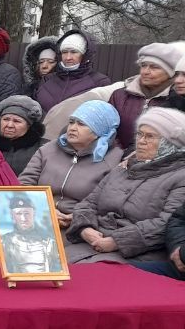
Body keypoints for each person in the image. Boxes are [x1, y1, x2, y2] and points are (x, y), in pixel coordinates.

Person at [65, 108, 185, 266]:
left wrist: (116, 241)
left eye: (150, 136)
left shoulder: (180, 176)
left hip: (138, 256)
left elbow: (167, 223)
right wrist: (84, 228)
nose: (141, 141)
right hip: (89, 244)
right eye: (139, 134)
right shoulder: (125, 167)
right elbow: (89, 202)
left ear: (170, 143)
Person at [19, 100, 122, 227]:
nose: (72, 128)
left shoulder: (114, 160)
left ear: (99, 130)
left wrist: (78, 219)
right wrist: (43, 210)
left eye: (81, 124)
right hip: (36, 215)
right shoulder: (49, 149)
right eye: (71, 122)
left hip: (78, 225)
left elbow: (106, 204)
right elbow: (24, 184)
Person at [109, 43, 181, 150]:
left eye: (154, 67)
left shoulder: (177, 101)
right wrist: (118, 154)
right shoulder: (119, 96)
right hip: (116, 160)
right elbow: (107, 130)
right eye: (143, 65)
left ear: (169, 73)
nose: (145, 71)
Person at [34, 30, 109, 115]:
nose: (68, 57)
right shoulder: (47, 80)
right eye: (64, 52)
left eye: (74, 52)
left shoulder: (99, 82)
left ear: (85, 54)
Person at [0, 95, 48, 176]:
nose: (9, 125)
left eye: (17, 121)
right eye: (6, 119)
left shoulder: (43, 148)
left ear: (29, 125)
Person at [0, 194, 62, 274]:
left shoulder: (48, 241)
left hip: (44, 284)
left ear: (34, 213)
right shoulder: (5, 241)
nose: (23, 218)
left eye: (27, 213)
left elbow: (58, 268)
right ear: (12, 216)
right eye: (19, 214)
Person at [130, 202, 185, 280]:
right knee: (123, 273)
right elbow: (179, 221)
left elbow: (161, 223)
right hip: (178, 266)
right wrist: (179, 248)